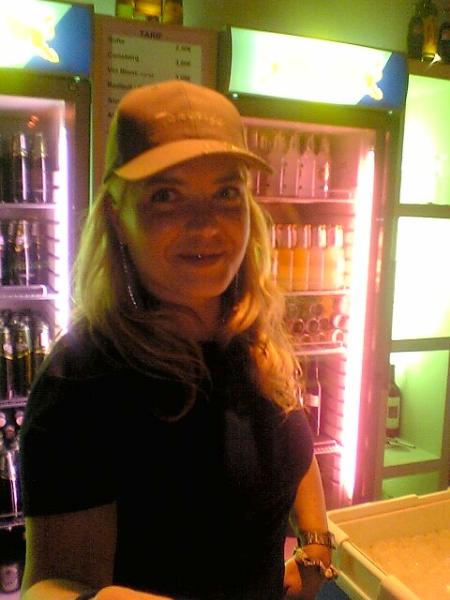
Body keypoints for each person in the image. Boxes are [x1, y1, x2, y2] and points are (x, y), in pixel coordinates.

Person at [19, 80, 337, 600]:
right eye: (166, 196)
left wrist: (317, 544)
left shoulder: (248, 335)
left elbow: (292, 442)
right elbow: (49, 586)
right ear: (117, 215)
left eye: (225, 193)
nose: (205, 225)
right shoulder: (81, 381)